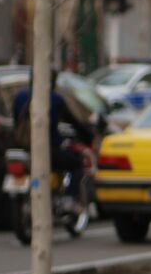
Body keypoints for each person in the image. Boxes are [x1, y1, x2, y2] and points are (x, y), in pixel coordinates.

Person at [13, 83, 95, 213]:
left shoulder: (19, 96)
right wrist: (88, 136)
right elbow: (73, 121)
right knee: (77, 164)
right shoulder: (55, 98)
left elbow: (15, 122)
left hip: (23, 148)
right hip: (48, 149)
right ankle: (70, 199)